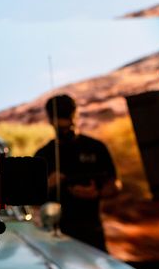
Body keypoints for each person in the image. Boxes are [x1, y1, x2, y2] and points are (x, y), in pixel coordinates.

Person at [33, 94, 118, 252]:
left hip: (91, 231)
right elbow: (30, 199)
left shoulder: (96, 148)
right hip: (55, 235)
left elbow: (115, 185)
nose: (66, 129)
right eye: (61, 126)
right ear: (51, 120)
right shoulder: (43, 155)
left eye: (68, 123)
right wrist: (48, 185)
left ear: (75, 115)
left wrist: (96, 193)